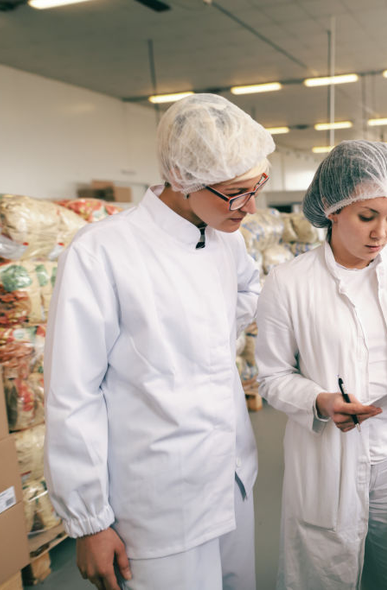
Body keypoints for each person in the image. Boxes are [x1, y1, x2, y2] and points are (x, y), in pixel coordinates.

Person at [44, 94, 273, 590]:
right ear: (183, 177)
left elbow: (248, 290)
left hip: (231, 475)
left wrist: (207, 331)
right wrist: (89, 522)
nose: (251, 207)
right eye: (237, 193)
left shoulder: (226, 238)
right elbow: (72, 394)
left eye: (257, 186)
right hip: (159, 501)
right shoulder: (102, 252)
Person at [255, 140, 387, 589]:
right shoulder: (289, 282)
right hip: (332, 459)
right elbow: (272, 377)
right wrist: (320, 401)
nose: (381, 233)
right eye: (367, 216)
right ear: (332, 210)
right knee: (328, 571)